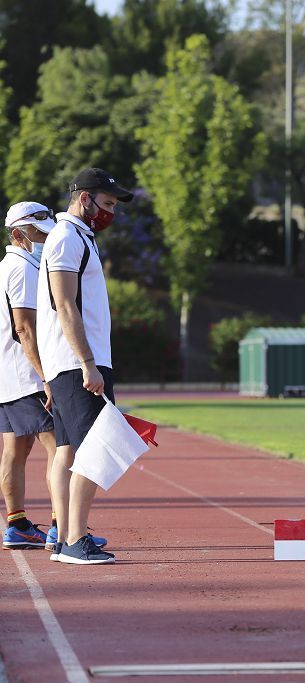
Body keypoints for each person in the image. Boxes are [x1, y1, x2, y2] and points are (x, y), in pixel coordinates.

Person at [38, 168, 132, 564]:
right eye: (107, 203)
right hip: (79, 362)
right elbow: (64, 304)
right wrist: (87, 363)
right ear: (84, 198)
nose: (110, 212)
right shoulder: (65, 238)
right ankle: (75, 538)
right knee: (94, 449)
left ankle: (64, 537)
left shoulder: (79, 237)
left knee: (68, 449)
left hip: (75, 361)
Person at [1, 202, 59, 550]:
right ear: (18, 234)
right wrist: (46, 377)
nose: (44, 239)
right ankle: (61, 526)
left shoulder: (9, 265)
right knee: (60, 447)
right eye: (38, 233)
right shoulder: (22, 268)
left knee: (16, 448)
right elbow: (24, 327)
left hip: (11, 375)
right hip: (29, 375)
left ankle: (18, 524)